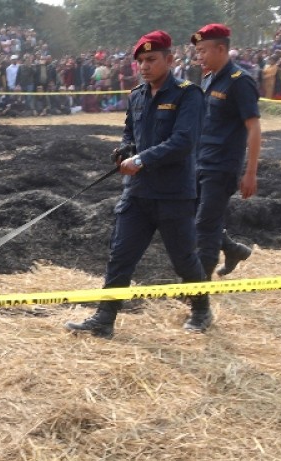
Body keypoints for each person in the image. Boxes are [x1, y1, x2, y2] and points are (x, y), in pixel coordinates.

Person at [66, 30, 211, 338]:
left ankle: (201, 310)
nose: (144, 66)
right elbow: (130, 132)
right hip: (138, 194)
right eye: (140, 61)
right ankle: (104, 318)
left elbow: (184, 142)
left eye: (151, 59)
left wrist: (141, 159)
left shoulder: (188, 95)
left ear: (170, 60)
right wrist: (125, 149)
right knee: (120, 255)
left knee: (184, 259)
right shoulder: (137, 96)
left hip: (174, 194)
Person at [191, 24, 261, 278]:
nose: (199, 56)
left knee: (205, 227)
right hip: (200, 160)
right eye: (197, 51)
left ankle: (198, 290)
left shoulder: (240, 82)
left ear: (221, 49)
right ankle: (232, 249)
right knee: (191, 217)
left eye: (203, 51)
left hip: (221, 166)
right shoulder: (209, 77)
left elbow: (253, 128)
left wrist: (250, 172)